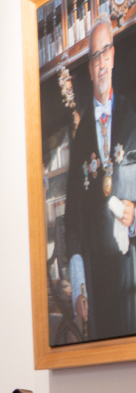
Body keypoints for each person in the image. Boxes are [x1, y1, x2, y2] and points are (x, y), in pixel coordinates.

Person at [63, 19, 136, 340]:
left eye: (105, 52)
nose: (101, 62)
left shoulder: (132, 116)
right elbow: (74, 220)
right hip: (96, 277)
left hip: (131, 265)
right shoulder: (79, 140)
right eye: (94, 57)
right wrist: (79, 285)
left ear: (114, 56)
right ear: (90, 68)